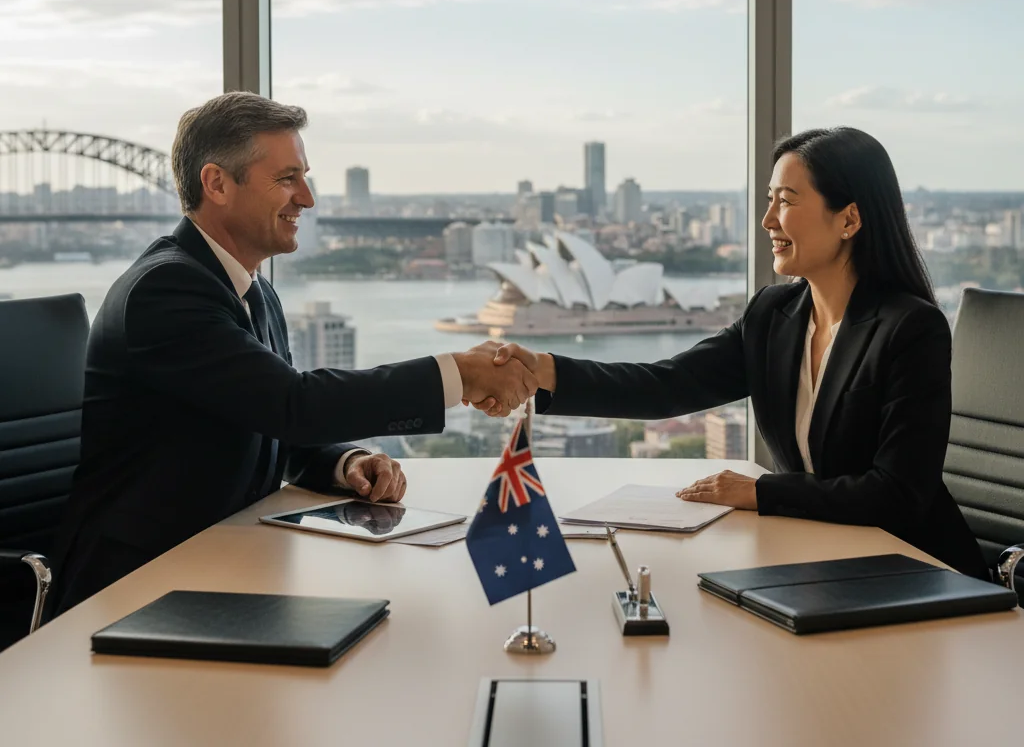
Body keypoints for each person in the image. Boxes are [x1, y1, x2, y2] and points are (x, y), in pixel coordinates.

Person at [48, 92, 533, 615]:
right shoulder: (165, 292)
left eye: (305, 176)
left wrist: (346, 463)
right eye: (286, 178)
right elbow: (293, 404)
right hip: (139, 589)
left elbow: (268, 419)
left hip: (225, 564)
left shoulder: (252, 290)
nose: (307, 198)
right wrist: (459, 374)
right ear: (216, 184)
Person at [492, 128, 988, 579]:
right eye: (769, 200)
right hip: (822, 560)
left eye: (787, 201)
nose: (768, 219)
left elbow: (898, 495)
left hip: (916, 571)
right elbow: (667, 384)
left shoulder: (910, 329)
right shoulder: (773, 315)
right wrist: (543, 372)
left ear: (850, 218)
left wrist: (759, 491)